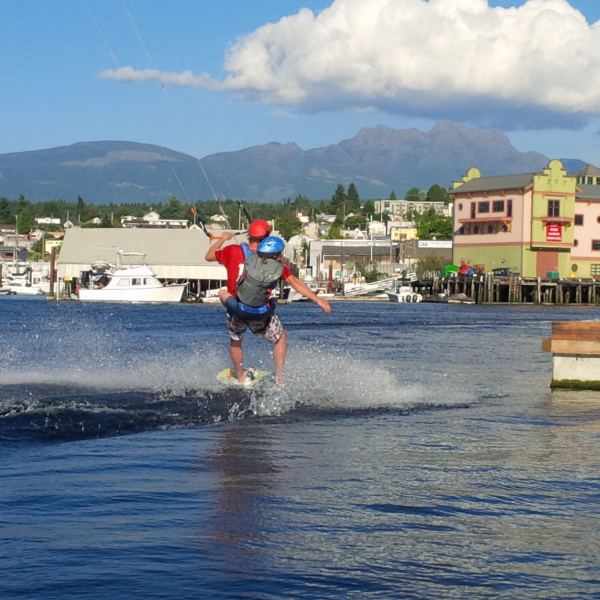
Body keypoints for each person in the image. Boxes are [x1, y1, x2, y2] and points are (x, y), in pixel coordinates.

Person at [205, 225, 331, 385]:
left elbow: (208, 256)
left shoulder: (234, 251)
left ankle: (240, 375)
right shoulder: (276, 264)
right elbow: (294, 282)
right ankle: (280, 377)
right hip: (260, 313)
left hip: (237, 309)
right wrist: (317, 299)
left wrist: (222, 239)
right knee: (281, 337)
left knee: (236, 340)